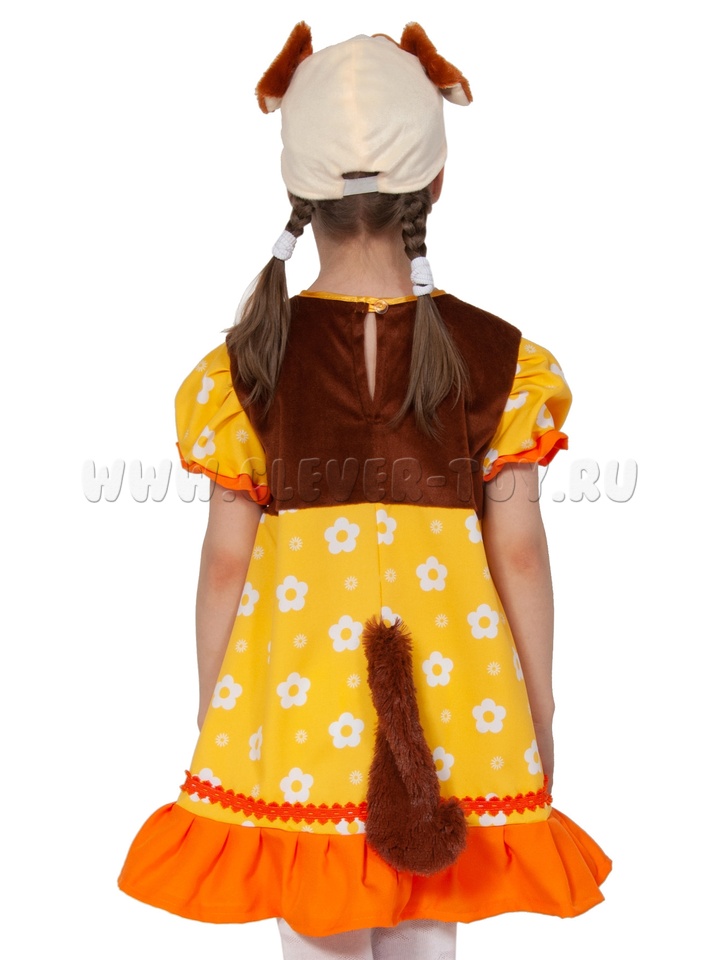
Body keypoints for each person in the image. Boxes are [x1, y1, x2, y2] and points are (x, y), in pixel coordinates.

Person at [118, 22, 611, 959]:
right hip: (460, 702)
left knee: (316, 932)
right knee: (430, 931)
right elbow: (519, 554)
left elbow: (225, 568)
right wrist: (539, 710)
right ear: (435, 182)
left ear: (298, 194)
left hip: (302, 703)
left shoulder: (245, 368)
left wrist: (217, 706)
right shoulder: (502, 361)